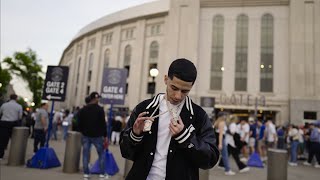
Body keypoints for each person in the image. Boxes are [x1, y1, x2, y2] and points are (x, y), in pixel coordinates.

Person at [120, 58, 220, 180]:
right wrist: (135, 134)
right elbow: (125, 152)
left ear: (192, 86)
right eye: (174, 88)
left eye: (185, 91)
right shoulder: (145, 108)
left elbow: (210, 159)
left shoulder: (198, 116)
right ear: (166, 79)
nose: (178, 95)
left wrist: (185, 138)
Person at [78, 92, 107, 179]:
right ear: (95, 98)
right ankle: (102, 173)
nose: (98, 100)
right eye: (98, 98)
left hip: (86, 135)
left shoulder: (83, 109)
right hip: (97, 136)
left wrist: (82, 131)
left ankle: (86, 173)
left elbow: (78, 122)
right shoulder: (100, 109)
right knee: (101, 154)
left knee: (86, 154)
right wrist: (105, 135)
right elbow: (103, 123)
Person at [0, 94, 23, 159]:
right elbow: (20, 116)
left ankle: (1, 155)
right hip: (13, 123)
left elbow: (0, 113)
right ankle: (14, 155)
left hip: (4, 123)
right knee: (15, 140)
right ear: (16, 98)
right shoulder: (19, 106)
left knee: (2, 140)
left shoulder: (4, 105)